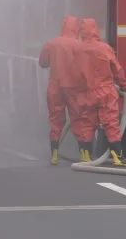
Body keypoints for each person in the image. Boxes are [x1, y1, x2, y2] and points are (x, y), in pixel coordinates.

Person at [76, 18, 126, 166]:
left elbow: (72, 73)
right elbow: (117, 69)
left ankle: (85, 155)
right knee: (111, 124)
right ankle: (117, 156)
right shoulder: (104, 48)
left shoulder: (77, 50)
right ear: (95, 30)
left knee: (87, 123)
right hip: (106, 91)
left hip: (86, 92)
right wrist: (124, 86)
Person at [38, 16, 91, 165]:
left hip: (55, 87)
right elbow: (85, 68)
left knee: (55, 120)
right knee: (79, 119)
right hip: (74, 88)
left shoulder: (51, 43)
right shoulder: (80, 45)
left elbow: (43, 63)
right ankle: (84, 154)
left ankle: (54, 154)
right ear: (76, 28)